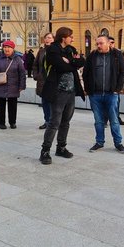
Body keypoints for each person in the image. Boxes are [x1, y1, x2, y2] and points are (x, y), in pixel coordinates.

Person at [39, 27, 85, 164]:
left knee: (66, 122)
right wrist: (73, 63)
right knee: (54, 122)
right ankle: (45, 151)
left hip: (71, 91)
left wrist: (70, 62)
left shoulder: (70, 50)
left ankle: (61, 147)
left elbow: (81, 61)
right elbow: (60, 66)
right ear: (63, 37)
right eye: (70, 36)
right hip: (57, 92)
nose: (72, 38)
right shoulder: (52, 49)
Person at [83, 35, 124, 152]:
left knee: (114, 120)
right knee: (98, 121)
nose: (98, 46)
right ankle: (99, 142)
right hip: (95, 95)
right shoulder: (92, 56)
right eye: (97, 43)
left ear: (108, 43)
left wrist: (117, 89)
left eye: (101, 43)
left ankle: (118, 143)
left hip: (111, 94)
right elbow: (85, 73)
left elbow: (123, 72)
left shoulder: (117, 55)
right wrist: (88, 90)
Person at [0, 40, 27, 129]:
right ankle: (1, 123)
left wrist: (22, 85)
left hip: (13, 85)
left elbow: (22, 73)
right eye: (5, 47)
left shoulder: (17, 59)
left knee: (12, 105)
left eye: (9, 47)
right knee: (0, 105)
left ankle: (12, 122)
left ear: (13, 49)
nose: (7, 49)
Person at [33, 32, 54, 129]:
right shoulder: (41, 51)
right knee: (45, 102)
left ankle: (53, 121)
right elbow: (36, 64)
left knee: (53, 103)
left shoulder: (56, 51)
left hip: (53, 81)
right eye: (46, 38)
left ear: (54, 39)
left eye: (50, 38)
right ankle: (47, 121)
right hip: (42, 81)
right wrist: (37, 75)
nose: (48, 40)